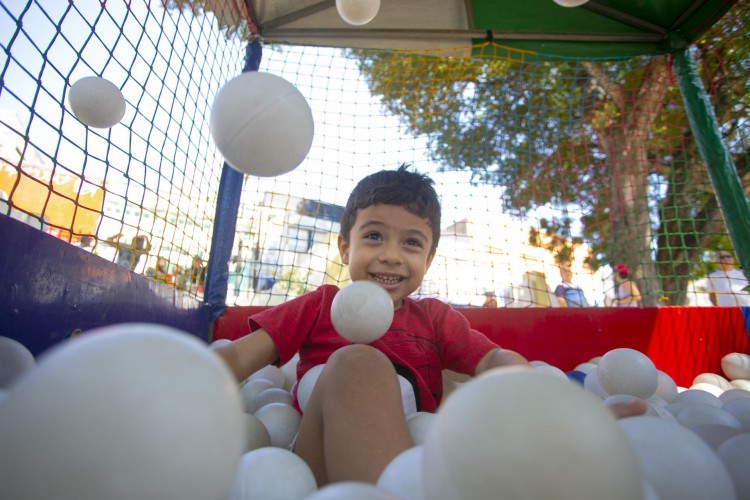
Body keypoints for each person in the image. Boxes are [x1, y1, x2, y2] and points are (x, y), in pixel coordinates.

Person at [214, 165, 644, 487]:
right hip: (320, 464)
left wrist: (562, 413)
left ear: (430, 258)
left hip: (428, 459)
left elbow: (493, 360)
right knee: (357, 363)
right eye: (374, 237)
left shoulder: (435, 318)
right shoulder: (319, 305)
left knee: (491, 411)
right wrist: (182, 375)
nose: (391, 256)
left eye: (412, 243)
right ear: (345, 246)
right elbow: (237, 356)